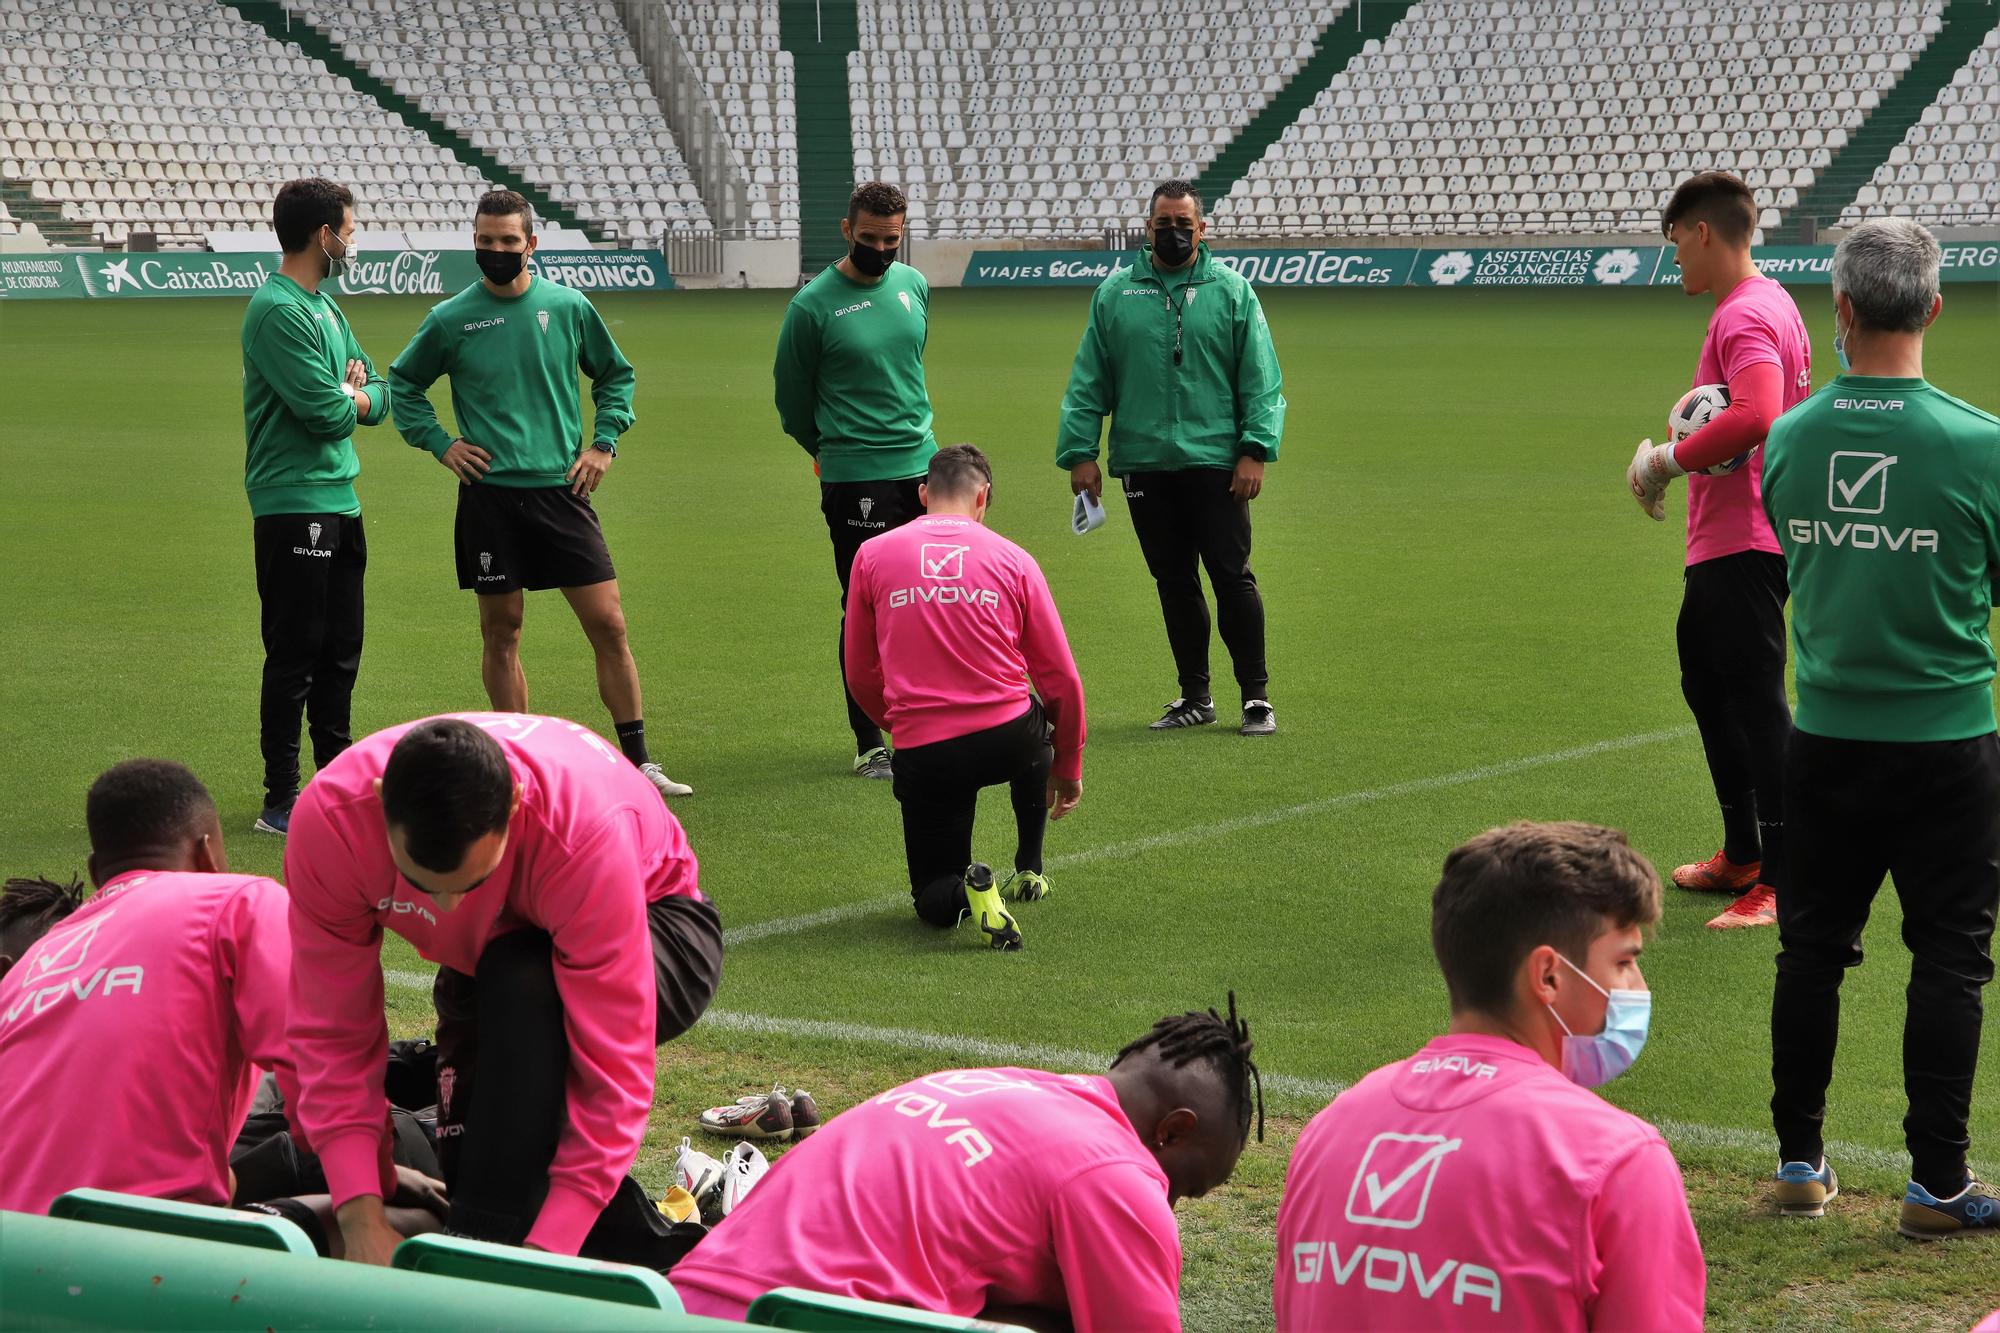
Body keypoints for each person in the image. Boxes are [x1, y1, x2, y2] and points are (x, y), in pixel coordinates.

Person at [1760, 218, 2000, 1238]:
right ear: (1933, 308)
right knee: (1947, 956)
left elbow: (1794, 558)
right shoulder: (1978, 445)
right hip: (1947, 741)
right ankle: (1935, 1186)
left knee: (1809, 951)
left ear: (1840, 310)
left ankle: (1799, 1166)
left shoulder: (1788, 437)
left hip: (1821, 738)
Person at [282, 713, 722, 1265]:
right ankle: (662, 1251)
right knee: (476, 1163)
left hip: (664, 926)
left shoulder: (581, 835)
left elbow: (614, 1070)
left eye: (470, 883)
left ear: (513, 805)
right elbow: (330, 1029)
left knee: (522, 992)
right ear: (379, 801)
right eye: (421, 882)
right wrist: (359, 1215)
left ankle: (691, 1271)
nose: (445, 909)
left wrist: (543, 1254)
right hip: (493, 960)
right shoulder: (331, 824)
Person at [1274, 822, 1704, 1331]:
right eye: (1624, 962)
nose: (1638, 985)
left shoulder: (1329, 1130)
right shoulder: (1615, 1161)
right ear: (1549, 976)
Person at [671, 997, 1262, 1329]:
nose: (1169, 1203)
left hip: (681, 1301)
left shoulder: (987, 1082)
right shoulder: (1117, 1174)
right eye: (1183, 1187)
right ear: (1171, 1131)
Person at [388, 190, 690, 800]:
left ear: (531, 243)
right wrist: (441, 444)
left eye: (506, 241)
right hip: (489, 498)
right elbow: (404, 384)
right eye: (484, 241)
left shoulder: (569, 306)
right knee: (502, 629)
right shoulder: (451, 317)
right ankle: (516, 765)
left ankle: (639, 762)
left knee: (608, 624)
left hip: (561, 491)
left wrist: (603, 442)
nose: (495, 251)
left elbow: (616, 376)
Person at [1626, 171, 1812, 930]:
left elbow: (1759, 412)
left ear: (1702, 232)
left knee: (1756, 703)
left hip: (1747, 540)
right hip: (1732, 540)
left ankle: (1784, 876)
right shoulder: (1768, 305)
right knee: (1706, 682)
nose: (1675, 260)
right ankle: (1744, 852)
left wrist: (1666, 460)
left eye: (1675, 245)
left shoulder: (1744, 315)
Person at [0, 761, 300, 1216]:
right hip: (137, 1251)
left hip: (18, 1248)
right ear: (208, 853)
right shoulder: (237, 901)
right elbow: (315, 1056)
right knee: (403, 1213)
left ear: (96, 872)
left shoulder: (35, 960)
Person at [1057, 179, 1285, 737]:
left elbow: (1260, 378)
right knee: (1174, 581)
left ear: (1202, 229)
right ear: (1148, 226)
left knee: (1232, 578)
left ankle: (1255, 697)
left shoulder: (1232, 291)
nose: (1175, 233)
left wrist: (1254, 449)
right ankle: (1195, 695)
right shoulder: (1115, 294)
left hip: (1215, 461)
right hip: (1146, 463)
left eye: (1185, 224)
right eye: (1165, 224)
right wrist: (1080, 453)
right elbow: (1090, 380)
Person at [844, 444, 1086, 950]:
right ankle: (1030, 867)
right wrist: (1069, 762)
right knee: (1037, 720)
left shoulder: (871, 555)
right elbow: (1060, 677)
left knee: (931, 897)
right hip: (1009, 739)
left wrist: (898, 724)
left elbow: (859, 670)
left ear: (923, 494)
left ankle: (971, 889)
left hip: (928, 751)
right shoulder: (1015, 558)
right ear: (985, 497)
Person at [773, 181, 938, 779]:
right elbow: (791, 402)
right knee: (867, 607)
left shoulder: (913, 287)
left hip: (923, 468)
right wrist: (833, 451)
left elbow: (908, 366)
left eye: (890, 240)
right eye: (868, 238)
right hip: (855, 476)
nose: (879, 249)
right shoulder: (813, 305)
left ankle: (928, 719)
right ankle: (869, 740)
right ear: (847, 231)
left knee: (932, 598)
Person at [241, 177, 389, 836]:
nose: (352, 241)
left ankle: (335, 779)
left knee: (341, 649)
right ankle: (282, 799)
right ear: (322, 235)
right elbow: (327, 413)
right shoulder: (278, 310)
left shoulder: (326, 309)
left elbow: (377, 391)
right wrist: (349, 395)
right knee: (296, 650)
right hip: (292, 498)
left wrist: (355, 394)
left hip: (341, 499)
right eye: (349, 230)